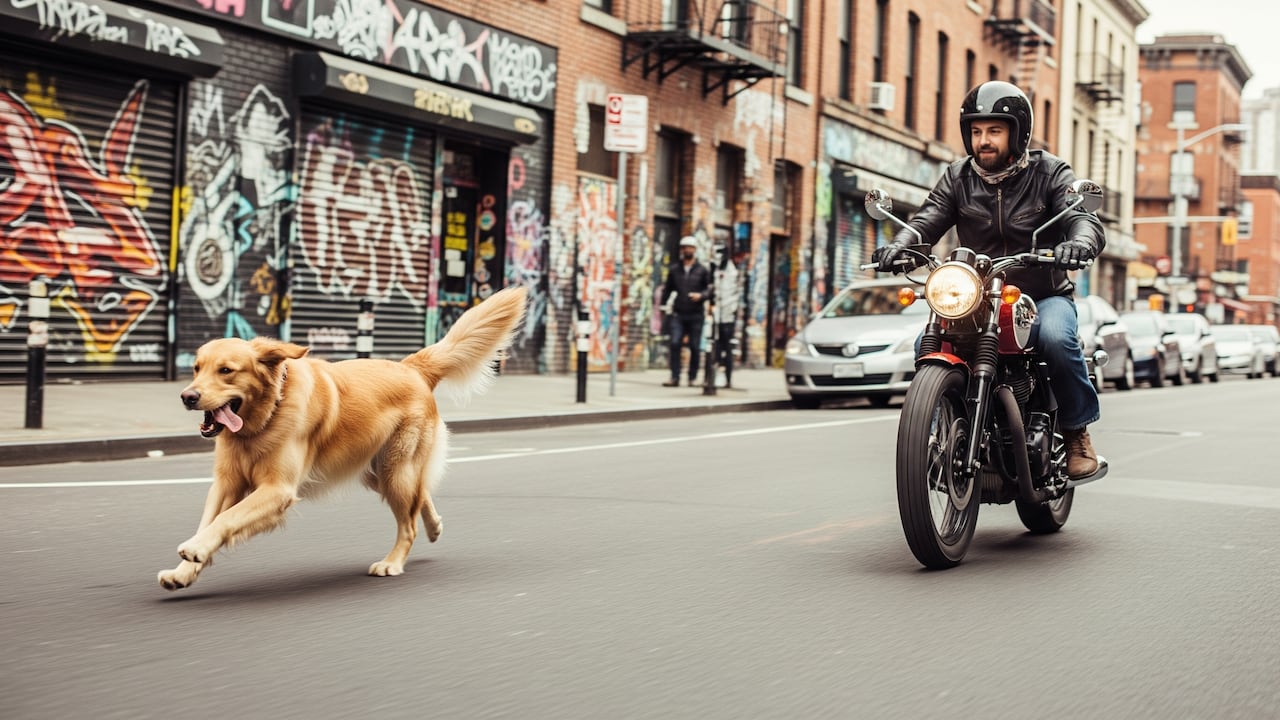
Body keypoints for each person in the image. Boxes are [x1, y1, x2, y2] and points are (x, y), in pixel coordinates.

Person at [871, 80, 1105, 479]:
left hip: (1040, 294)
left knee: (1056, 339)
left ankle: (1075, 432)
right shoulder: (958, 176)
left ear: (1018, 132)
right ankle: (943, 429)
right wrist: (900, 244)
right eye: (977, 132)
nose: (984, 141)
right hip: (976, 297)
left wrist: (1079, 242)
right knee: (923, 343)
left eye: (994, 131)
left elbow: (1082, 218)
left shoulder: (1049, 172)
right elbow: (928, 218)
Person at [662, 235, 711, 387]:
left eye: (690, 248)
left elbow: (710, 290)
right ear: (682, 250)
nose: (687, 250)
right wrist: (663, 306)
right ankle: (675, 377)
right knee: (675, 343)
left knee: (695, 346)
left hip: (696, 314)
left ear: (694, 250)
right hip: (679, 312)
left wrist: (701, 296)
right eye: (685, 248)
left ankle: (692, 377)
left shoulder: (702, 270)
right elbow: (667, 289)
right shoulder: (675, 269)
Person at [711, 244, 747, 388]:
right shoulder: (713, 269)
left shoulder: (731, 271)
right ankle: (714, 376)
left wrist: (728, 312)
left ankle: (727, 378)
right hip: (715, 316)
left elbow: (731, 295)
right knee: (715, 348)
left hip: (727, 317)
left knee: (727, 347)